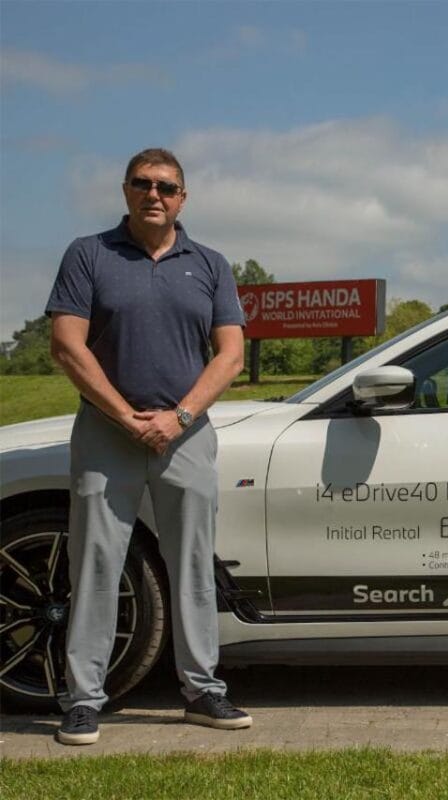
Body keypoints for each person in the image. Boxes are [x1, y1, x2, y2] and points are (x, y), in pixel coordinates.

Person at [46, 148, 251, 745]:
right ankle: (84, 699)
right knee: (96, 563)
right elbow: (66, 346)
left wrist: (177, 417)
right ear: (126, 191)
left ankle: (203, 691)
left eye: (165, 186)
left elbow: (230, 355)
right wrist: (125, 416)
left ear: (182, 198)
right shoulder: (89, 254)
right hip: (107, 432)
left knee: (192, 563)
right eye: (142, 184)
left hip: (186, 434)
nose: (153, 194)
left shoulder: (210, 264)